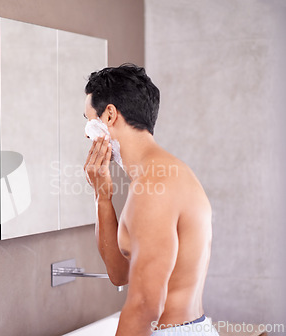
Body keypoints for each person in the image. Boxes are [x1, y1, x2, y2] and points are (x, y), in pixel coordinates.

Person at [83, 64, 218, 335]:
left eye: (88, 120)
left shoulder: (155, 185)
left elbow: (145, 305)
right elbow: (120, 274)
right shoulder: (160, 175)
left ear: (109, 115)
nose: (87, 134)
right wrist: (102, 197)